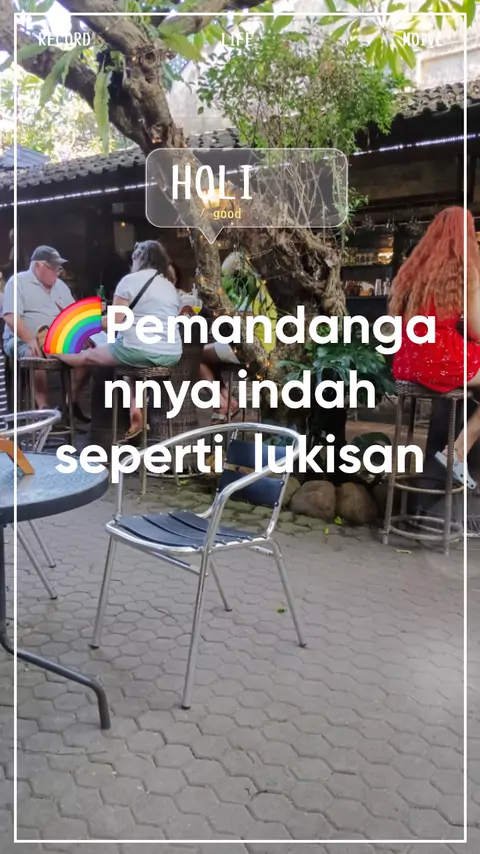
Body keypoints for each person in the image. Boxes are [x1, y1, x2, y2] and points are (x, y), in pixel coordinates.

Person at [390, 206, 480, 490]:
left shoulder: (411, 270)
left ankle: (455, 454)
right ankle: (458, 451)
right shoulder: (466, 273)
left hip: (407, 361)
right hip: (440, 360)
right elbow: (477, 329)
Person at [56, 240, 182, 441]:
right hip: (171, 353)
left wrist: (80, 323)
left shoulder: (129, 281)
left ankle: (54, 352)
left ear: (139, 258)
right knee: (128, 364)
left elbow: (114, 321)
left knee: (87, 356)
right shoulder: (169, 285)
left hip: (139, 350)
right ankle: (135, 409)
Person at [2, 245, 89, 418]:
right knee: (35, 353)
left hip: (56, 338)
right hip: (21, 339)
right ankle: (43, 409)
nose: (57, 272)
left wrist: (81, 333)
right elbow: (11, 317)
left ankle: (67, 404)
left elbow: (73, 314)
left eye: (59, 268)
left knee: (89, 355)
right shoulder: (18, 282)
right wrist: (29, 339)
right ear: (37, 266)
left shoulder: (60, 286)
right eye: (53, 268)